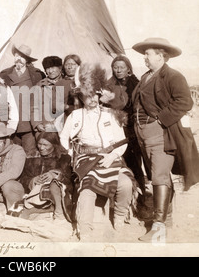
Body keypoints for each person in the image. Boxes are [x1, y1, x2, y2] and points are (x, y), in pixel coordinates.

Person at [131, 37, 199, 242]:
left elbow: (185, 102)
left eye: (148, 53)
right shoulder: (145, 77)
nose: (145, 57)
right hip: (143, 134)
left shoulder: (173, 76)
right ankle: (167, 220)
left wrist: (161, 121)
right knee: (157, 176)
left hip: (160, 133)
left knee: (159, 176)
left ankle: (158, 227)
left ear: (161, 56)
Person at [59, 64, 136, 241]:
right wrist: (73, 155)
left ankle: (119, 216)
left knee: (125, 184)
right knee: (87, 190)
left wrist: (112, 156)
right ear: (82, 97)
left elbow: (121, 141)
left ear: (99, 95)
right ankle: (84, 230)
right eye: (87, 96)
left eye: (94, 95)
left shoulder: (110, 115)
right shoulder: (76, 116)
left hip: (110, 158)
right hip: (86, 159)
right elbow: (64, 138)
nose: (91, 99)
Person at [106, 55, 147, 202]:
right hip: (115, 129)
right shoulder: (108, 86)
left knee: (135, 163)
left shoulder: (136, 84)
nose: (118, 70)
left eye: (121, 67)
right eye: (115, 67)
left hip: (132, 129)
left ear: (128, 68)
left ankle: (141, 199)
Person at [18, 132, 73, 223]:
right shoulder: (31, 156)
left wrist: (55, 175)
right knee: (21, 214)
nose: (41, 147)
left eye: (45, 145)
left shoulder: (64, 158)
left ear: (54, 144)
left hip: (55, 196)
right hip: (34, 194)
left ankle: (59, 213)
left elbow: (69, 181)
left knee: (55, 185)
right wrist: (32, 180)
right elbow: (23, 178)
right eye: (39, 144)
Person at [0, 44, 45, 156]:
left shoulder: (36, 75)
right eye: (16, 56)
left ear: (27, 60)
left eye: (22, 57)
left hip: (29, 123)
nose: (18, 59)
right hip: (11, 122)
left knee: (29, 155)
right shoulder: (5, 74)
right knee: (12, 155)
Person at [32, 56, 65, 133]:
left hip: (63, 127)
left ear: (60, 68)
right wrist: (37, 124)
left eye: (53, 67)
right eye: (47, 68)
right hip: (45, 127)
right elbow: (34, 107)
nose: (50, 71)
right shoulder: (40, 85)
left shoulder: (66, 83)